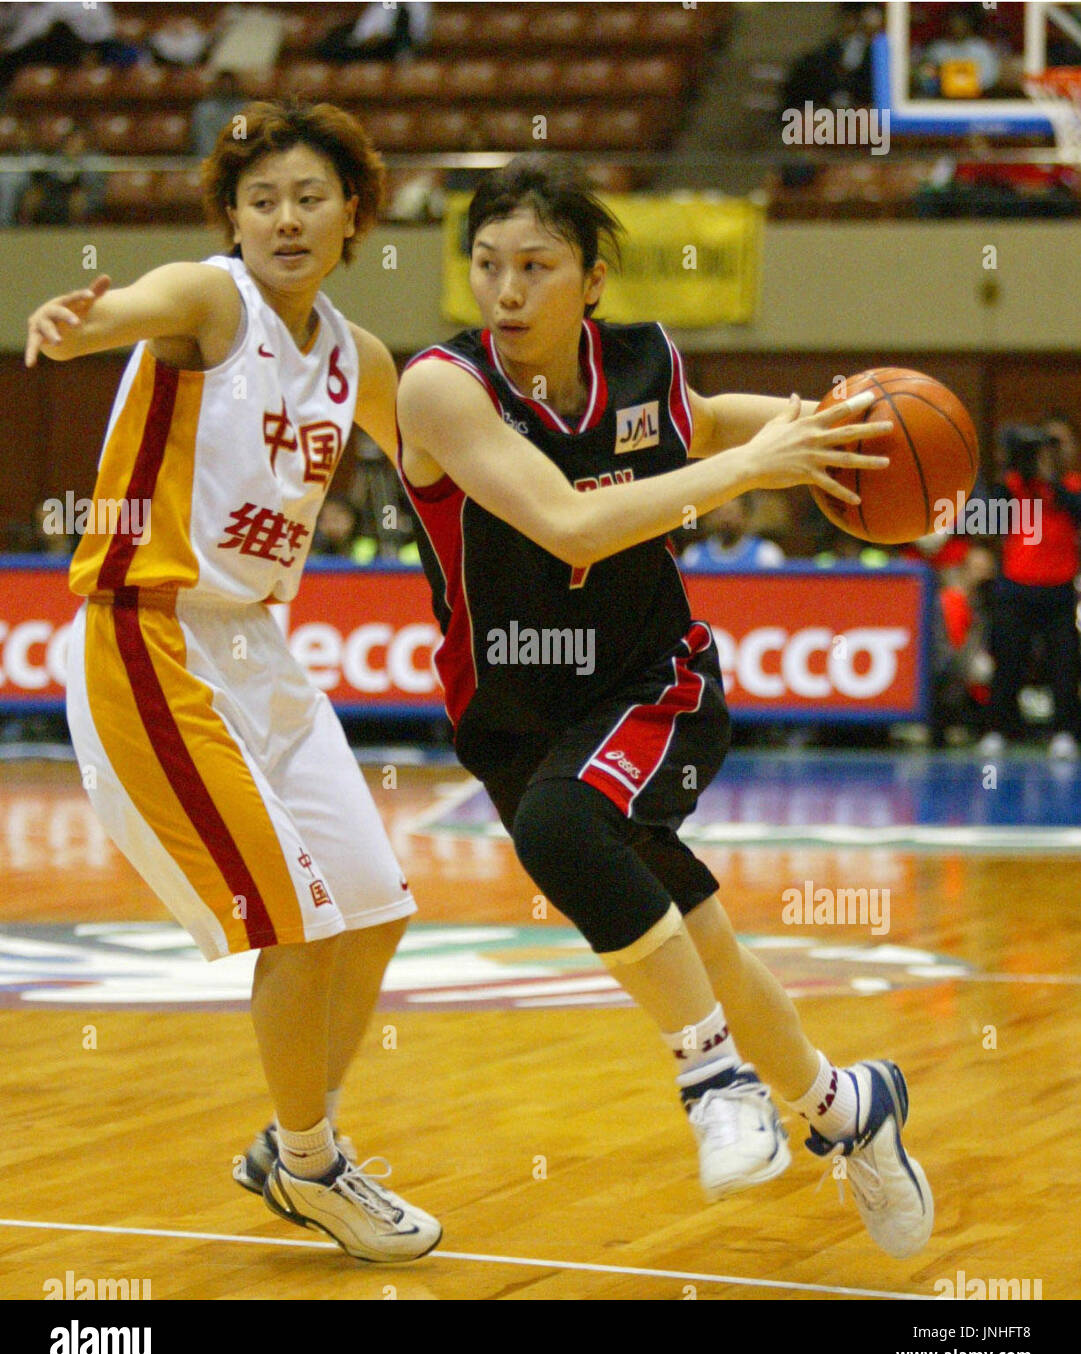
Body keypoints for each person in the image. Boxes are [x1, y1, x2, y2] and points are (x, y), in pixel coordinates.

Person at [395, 154, 933, 1258]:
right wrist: (754, 468)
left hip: (653, 681)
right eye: (487, 264)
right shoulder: (442, 388)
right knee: (698, 939)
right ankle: (846, 1105)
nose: (505, 290)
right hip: (514, 715)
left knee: (561, 829)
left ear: (591, 281)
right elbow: (568, 523)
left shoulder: (642, 365)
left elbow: (705, 418)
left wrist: (826, 427)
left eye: (535, 266)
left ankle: (713, 1080)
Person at [24, 98, 441, 1264]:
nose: (285, 218)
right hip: (147, 636)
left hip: (257, 643)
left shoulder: (359, 357)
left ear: (354, 213)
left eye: (309, 197)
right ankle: (313, 1165)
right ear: (234, 221)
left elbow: (441, 465)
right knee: (297, 926)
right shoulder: (212, 301)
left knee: (375, 905)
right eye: (261, 201)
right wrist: (80, 319)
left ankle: (290, 1145)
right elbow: (137, 305)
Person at [978, 424, 1081, 760]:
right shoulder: (1014, 485)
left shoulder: (1071, 486)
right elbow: (987, 519)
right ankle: (998, 728)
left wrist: (1051, 481)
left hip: (1059, 591)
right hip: (1016, 587)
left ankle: (1065, 730)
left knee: (1063, 664)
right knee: (1008, 661)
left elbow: (1076, 510)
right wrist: (1011, 471)